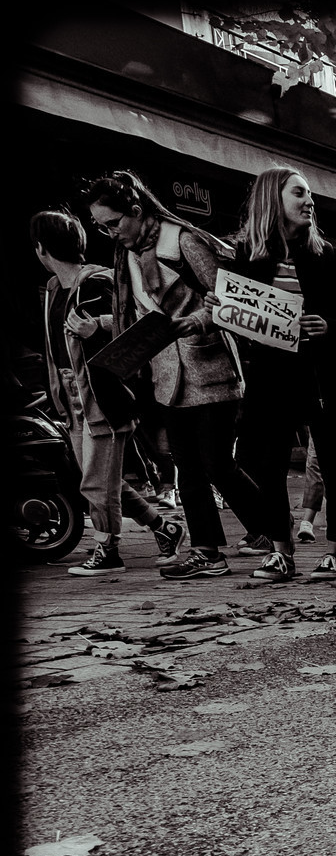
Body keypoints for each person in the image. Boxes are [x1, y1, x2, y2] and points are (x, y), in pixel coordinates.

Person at [85, 169, 273, 579]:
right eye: (103, 227)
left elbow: (228, 300)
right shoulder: (127, 256)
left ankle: (274, 531)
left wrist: (198, 321)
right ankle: (208, 553)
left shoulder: (182, 241)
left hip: (211, 367)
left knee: (218, 465)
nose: (111, 233)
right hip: (166, 375)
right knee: (187, 468)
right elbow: (136, 314)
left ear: (136, 211)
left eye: (114, 223)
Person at [224, 167, 336, 584]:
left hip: (325, 377)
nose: (309, 202)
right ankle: (280, 552)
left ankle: (333, 554)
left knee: (333, 466)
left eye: (310, 195)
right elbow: (240, 321)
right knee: (269, 467)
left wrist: (328, 326)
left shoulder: (329, 256)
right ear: (274, 199)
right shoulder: (247, 257)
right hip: (272, 378)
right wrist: (222, 309)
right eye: (299, 194)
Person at [29, 209, 184, 575]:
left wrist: (96, 326)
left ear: (41, 248)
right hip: (71, 395)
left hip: (102, 394)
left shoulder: (97, 281)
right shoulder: (54, 289)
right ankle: (165, 528)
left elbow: (138, 319)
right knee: (98, 479)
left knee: (97, 481)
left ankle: (108, 551)